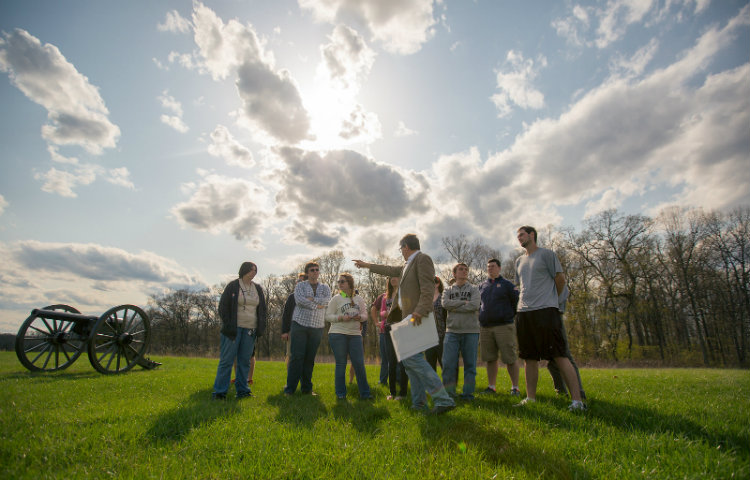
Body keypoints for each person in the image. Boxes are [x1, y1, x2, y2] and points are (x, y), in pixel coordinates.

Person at [353, 233, 455, 414]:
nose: (400, 252)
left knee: (413, 359)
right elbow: (389, 269)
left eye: (401, 248)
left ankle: (443, 399)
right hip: (407, 317)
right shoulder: (407, 265)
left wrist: (420, 311)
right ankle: (418, 404)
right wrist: (367, 265)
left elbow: (427, 287)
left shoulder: (422, 259)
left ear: (406, 247)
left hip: (417, 317)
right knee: (408, 362)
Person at [514, 226, 586, 411]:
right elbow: (520, 286)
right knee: (529, 358)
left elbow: (560, 279)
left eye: (522, 234)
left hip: (546, 311)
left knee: (559, 355)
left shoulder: (547, 255)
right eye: (517, 235)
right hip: (524, 313)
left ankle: (577, 401)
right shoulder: (518, 261)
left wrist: (553, 301)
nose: (519, 237)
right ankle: (530, 398)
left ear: (532, 235)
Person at [212, 261, 267, 400]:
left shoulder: (258, 289)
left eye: (255, 270)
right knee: (227, 360)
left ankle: (243, 391)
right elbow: (223, 307)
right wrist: (229, 324)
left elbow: (263, 310)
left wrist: (260, 327)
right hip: (234, 330)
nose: (253, 273)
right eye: (250, 270)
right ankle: (219, 392)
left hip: (250, 329)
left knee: (244, 361)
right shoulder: (233, 286)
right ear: (244, 270)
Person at [283, 262, 330, 396]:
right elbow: (300, 301)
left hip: (317, 327)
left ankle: (307, 389)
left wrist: (312, 300)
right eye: (312, 270)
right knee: (297, 357)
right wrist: (317, 304)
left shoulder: (325, 287)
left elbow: (327, 301)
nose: (315, 272)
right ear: (307, 273)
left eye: (317, 270)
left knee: (310, 359)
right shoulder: (300, 286)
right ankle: (290, 389)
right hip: (300, 325)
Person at [478, 258, 521, 396]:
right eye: (488, 266)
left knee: (510, 358)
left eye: (493, 266)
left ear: (499, 268)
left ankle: (515, 387)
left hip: (504, 326)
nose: (490, 268)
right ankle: (491, 387)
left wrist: (507, 316)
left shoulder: (507, 285)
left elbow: (516, 303)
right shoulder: (482, 286)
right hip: (485, 327)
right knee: (490, 358)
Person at [326, 273, 373, 400]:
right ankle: (341, 394)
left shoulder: (359, 298)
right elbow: (328, 316)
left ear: (350, 284)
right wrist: (341, 317)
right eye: (339, 282)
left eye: (343, 281)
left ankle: (365, 394)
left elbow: (365, 315)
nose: (340, 284)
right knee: (341, 364)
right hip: (338, 333)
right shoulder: (336, 298)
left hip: (355, 335)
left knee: (359, 363)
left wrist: (360, 318)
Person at [441, 263, 481, 400]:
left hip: (471, 331)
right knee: (448, 364)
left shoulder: (474, 289)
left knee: (470, 365)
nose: (464, 271)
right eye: (461, 269)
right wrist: (464, 303)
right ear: (454, 273)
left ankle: (468, 394)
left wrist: (455, 305)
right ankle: (448, 394)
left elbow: (475, 305)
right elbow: (445, 304)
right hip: (452, 331)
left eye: (466, 270)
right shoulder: (447, 290)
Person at [546, 284, 586, 400]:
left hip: (554, 316)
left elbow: (562, 291)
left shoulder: (555, 275)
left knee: (564, 356)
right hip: (540, 317)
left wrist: (552, 307)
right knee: (552, 360)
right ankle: (561, 392)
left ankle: (579, 393)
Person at [372, 277, 408, 399]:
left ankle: (403, 393)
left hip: (401, 328)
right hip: (387, 329)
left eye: (396, 277)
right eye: (391, 278)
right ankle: (392, 393)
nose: (393, 279)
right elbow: (381, 312)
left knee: (402, 361)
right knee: (391, 361)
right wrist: (384, 314)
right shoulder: (385, 296)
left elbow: (407, 310)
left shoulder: (404, 293)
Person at [370, 279, 396, 386]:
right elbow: (373, 309)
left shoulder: (401, 295)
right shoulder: (383, 296)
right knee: (385, 358)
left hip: (398, 330)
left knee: (397, 358)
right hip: (384, 331)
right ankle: (383, 380)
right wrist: (377, 322)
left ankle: (397, 381)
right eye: (391, 279)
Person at [281, 273, 307, 371]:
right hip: (293, 331)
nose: (298, 283)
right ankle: (290, 381)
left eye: (301, 281)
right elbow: (286, 315)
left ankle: (304, 381)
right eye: (298, 281)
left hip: (309, 331)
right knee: (290, 355)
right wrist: (284, 331)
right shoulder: (292, 297)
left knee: (306, 357)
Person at [424, 276, 446, 371]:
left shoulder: (443, 297)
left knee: (443, 362)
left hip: (441, 334)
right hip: (428, 336)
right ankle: (432, 385)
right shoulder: (425, 299)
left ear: (437, 284)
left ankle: (447, 385)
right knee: (430, 364)